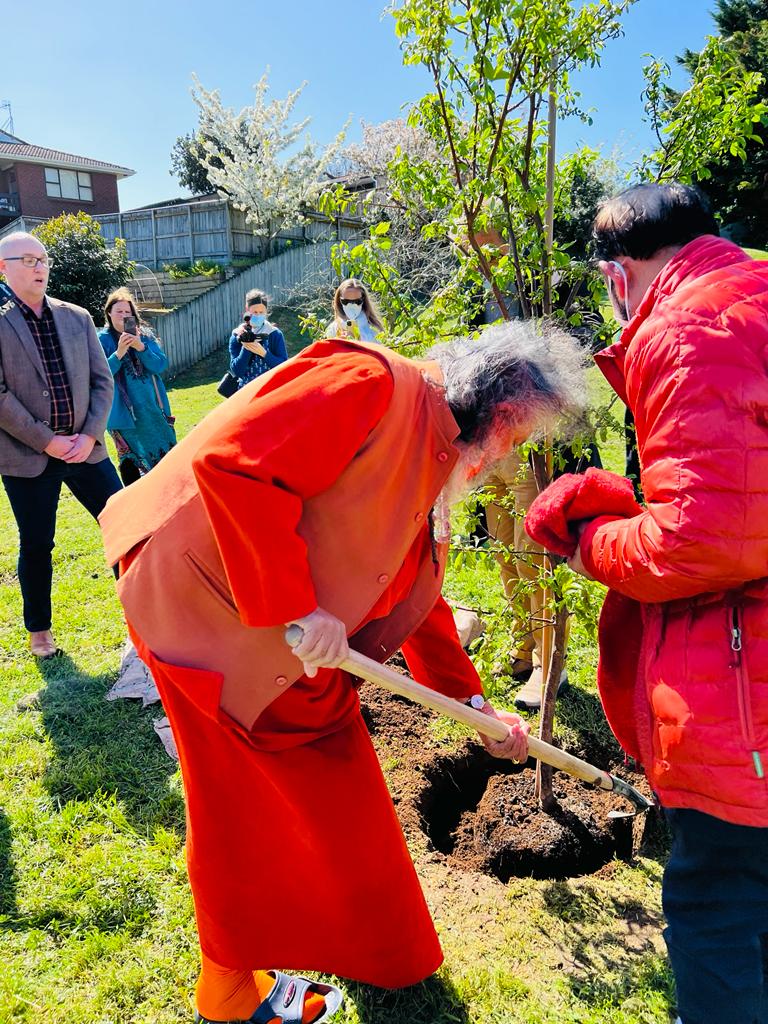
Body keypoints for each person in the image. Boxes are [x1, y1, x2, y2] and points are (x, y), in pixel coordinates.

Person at [99, 321, 584, 1024]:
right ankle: (230, 990)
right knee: (237, 810)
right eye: (520, 438)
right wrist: (297, 606)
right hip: (201, 612)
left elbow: (417, 593)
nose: (511, 457)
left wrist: (474, 705)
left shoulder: (435, 448)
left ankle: (381, 954)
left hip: (280, 636)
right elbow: (236, 467)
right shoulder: (370, 384)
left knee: (341, 786)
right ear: (503, 415)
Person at [564, 182, 768, 1024]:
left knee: (719, 897)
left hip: (739, 690)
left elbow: (700, 541)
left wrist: (584, 536)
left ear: (618, 276)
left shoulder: (686, 330)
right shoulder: (752, 291)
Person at [0, 231, 121, 658]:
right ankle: (39, 631)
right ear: (3, 268)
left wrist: (88, 435)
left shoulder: (77, 316)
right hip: (27, 456)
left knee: (128, 526)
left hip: (88, 451)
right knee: (37, 543)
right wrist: (46, 440)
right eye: (28, 260)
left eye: (44, 259)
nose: (39, 267)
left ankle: (142, 609)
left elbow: (102, 380)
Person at [97, 288, 176, 486]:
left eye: (128, 312)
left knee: (167, 458)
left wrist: (141, 347)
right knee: (130, 461)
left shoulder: (145, 336)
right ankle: (137, 506)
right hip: (123, 415)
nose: (124, 316)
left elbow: (159, 365)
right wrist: (120, 352)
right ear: (108, 313)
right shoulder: (102, 340)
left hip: (153, 409)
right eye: (119, 311)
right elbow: (99, 375)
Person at [228, 290, 288, 389]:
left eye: (261, 312)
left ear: (266, 312)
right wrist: (247, 347)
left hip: (272, 389)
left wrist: (264, 353)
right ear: (247, 310)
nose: (258, 315)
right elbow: (237, 371)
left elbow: (283, 367)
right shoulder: (237, 335)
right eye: (255, 312)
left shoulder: (274, 334)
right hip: (247, 391)